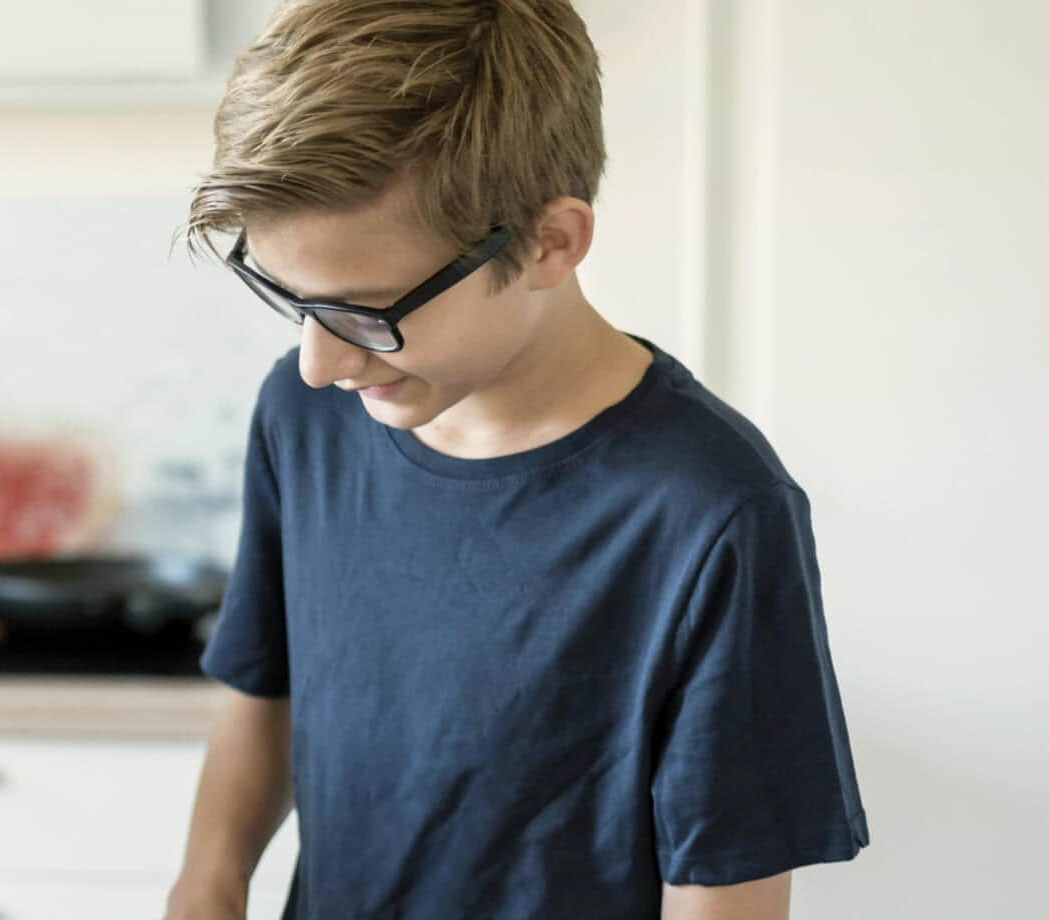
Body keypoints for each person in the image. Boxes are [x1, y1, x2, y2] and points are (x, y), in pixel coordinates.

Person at [164, 1, 867, 918]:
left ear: (550, 242)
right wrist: (204, 889)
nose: (319, 360)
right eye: (287, 295)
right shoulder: (304, 415)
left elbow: (725, 889)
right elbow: (266, 691)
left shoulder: (712, 511)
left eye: (367, 312)